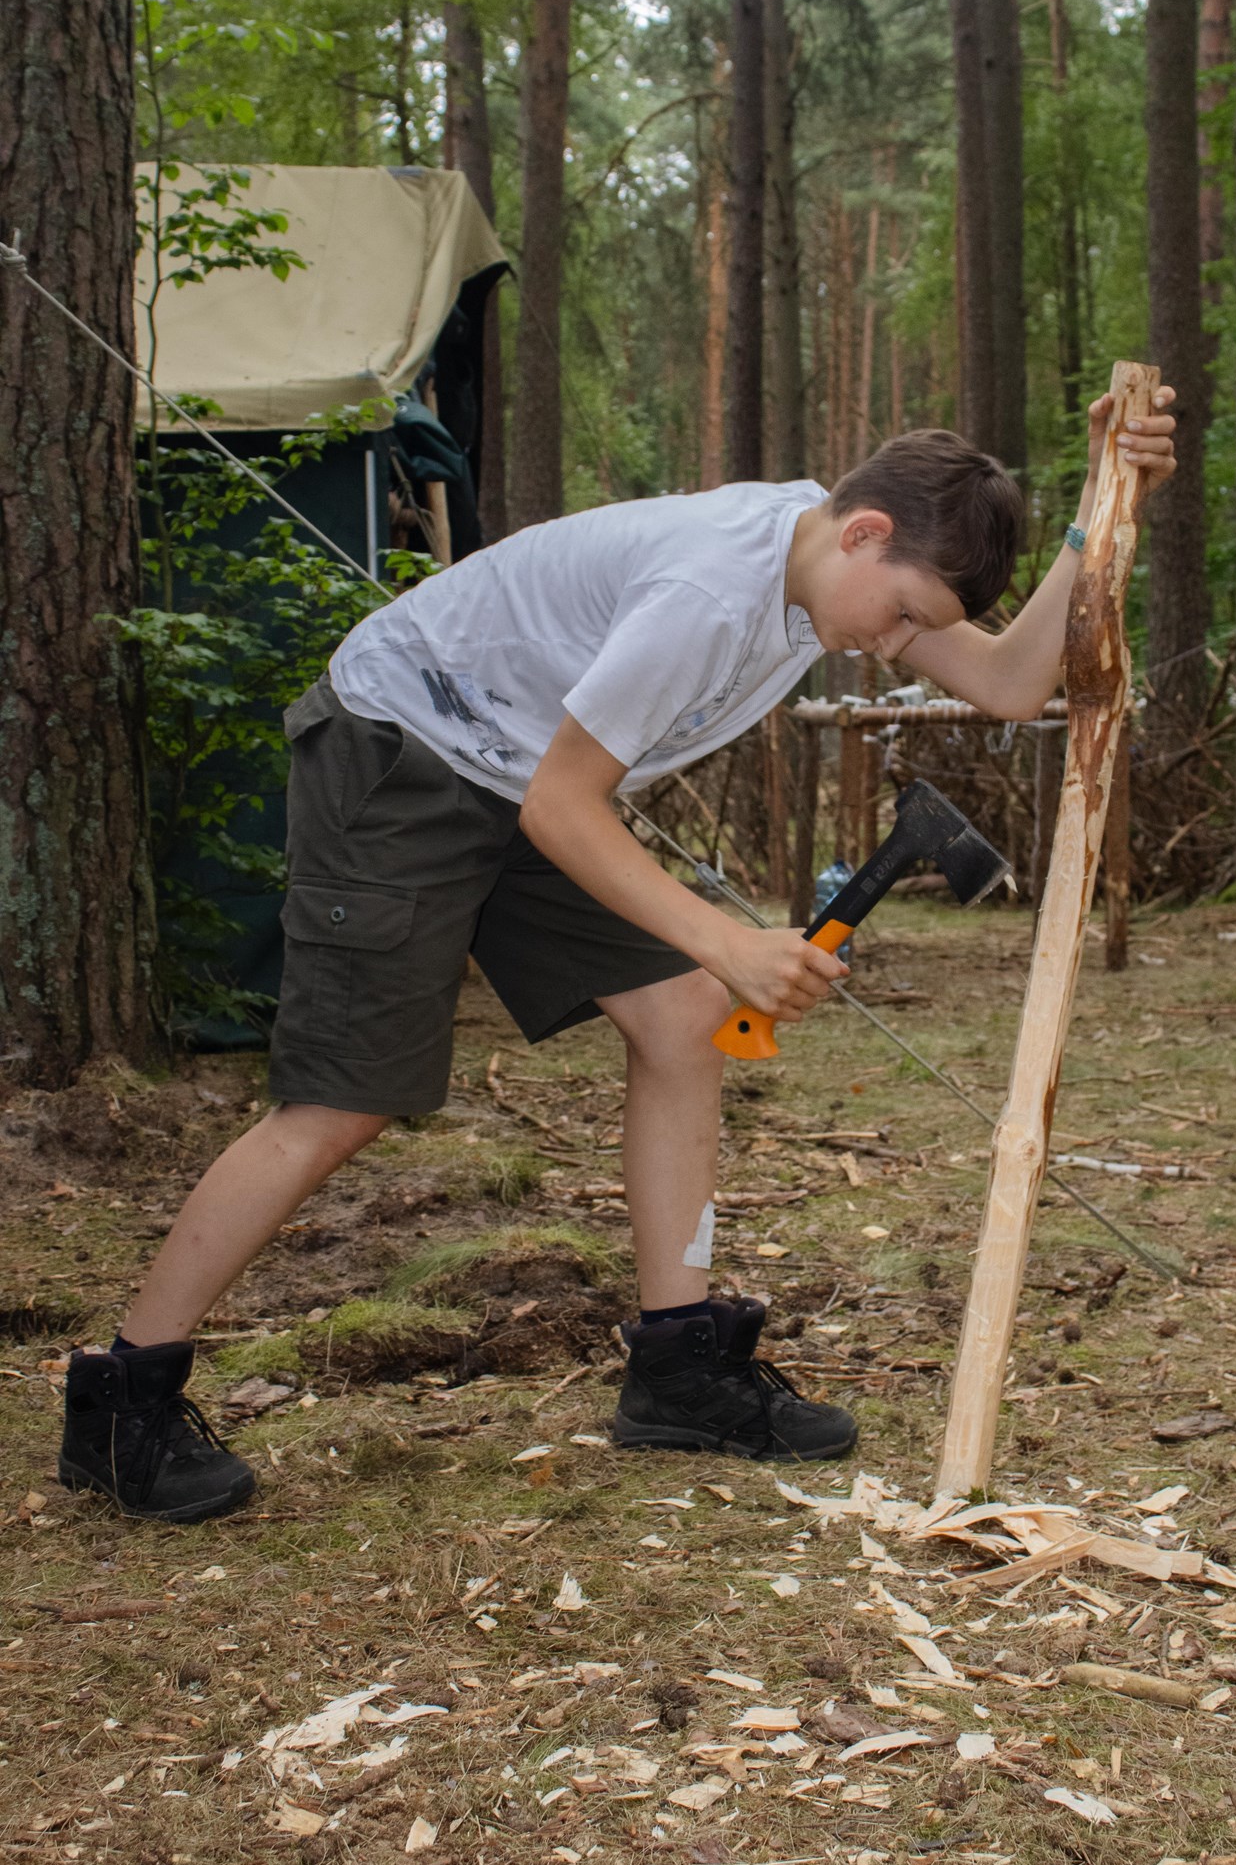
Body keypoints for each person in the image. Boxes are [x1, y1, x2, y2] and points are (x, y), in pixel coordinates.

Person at [58, 387, 1177, 1521]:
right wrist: (730, 942)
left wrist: (1100, 508)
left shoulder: (829, 561)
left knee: (682, 1016)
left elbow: (1010, 683)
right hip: (404, 748)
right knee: (343, 1102)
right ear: (864, 532)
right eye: (898, 615)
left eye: (913, 627)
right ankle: (121, 1401)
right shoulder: (710, 590)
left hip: (521, 771)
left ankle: (678, 1370)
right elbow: (564, 806)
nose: (891, 645)